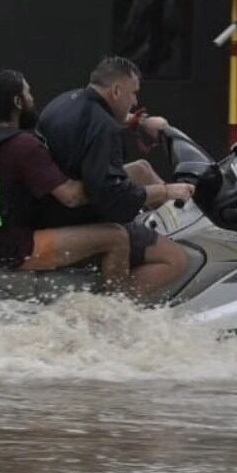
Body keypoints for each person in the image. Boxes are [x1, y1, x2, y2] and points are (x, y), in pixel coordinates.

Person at [0, 69, 129, 288]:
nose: (32, 99)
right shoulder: (22, 146)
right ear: (18, 101)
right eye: (28, 93)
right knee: (117, 238)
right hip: (14, 249)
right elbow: (72, 197)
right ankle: (118, 312)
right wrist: (110, 186)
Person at [37, 56, 195, 299]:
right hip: (73, 219)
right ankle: (115, 309)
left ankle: (183, 221)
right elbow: (113, 199)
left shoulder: (65, 101)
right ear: (117, 90)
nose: (136, 100)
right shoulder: (104, 129)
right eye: (133, 94)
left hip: (49, 202)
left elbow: (98, 123)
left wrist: (140, 121)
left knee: (141, 169)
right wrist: (166, 191)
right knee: (175, 259)